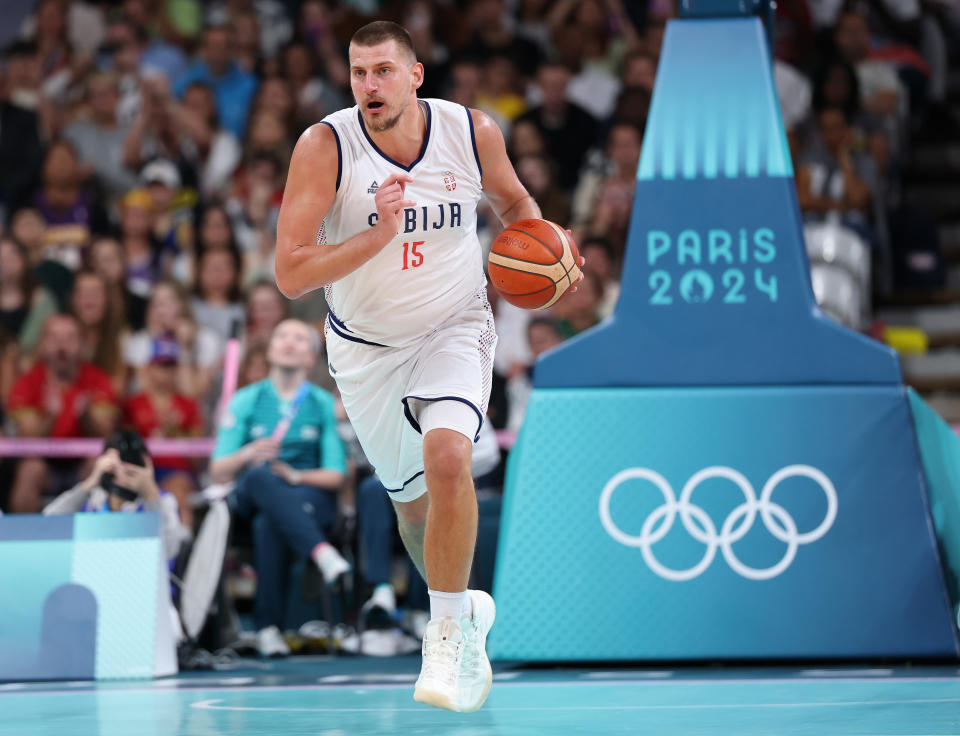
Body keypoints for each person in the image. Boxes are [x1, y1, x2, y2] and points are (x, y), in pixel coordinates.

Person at [274, 21, 582, 713]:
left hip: (456, 323)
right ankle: (463, 612)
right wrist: (376, 234)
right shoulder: (325, 147)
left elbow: (513, 204)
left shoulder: (471, 132)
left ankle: (444, 635)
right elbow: (290, 274)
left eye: (383, 71)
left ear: (415, 76)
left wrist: (543, 248)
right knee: (412, 513)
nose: (369, 86)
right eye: (358, 73)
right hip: (366, 349)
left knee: (449, 457)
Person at [209, 319, 349, 658]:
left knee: (269, 521)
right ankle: (322, 553)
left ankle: (268, 629)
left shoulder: (321, 404)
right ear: (270, 350)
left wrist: (296, 477)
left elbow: (335, 474)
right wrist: (247, 453)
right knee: (259, 476)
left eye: (300, 339)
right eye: (281, 335)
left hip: (305, 494)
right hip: (251, 495)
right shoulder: (246, 400)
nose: (289, 342)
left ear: (311, 358)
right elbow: (217, 470)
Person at [6, 313, 118, 512]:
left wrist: (86, 419)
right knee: (30, 470)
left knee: (99, 466)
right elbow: (26, 441)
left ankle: (100, 538)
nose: (62, 346)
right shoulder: (27, 383)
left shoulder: (99, 381)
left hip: (84, 464)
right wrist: (49, 417)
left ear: (82, 343)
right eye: (54, 338)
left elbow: (106, 436)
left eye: (69, 338)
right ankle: (25, 539)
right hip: (45, 466)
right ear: (43, 344)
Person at [43, 430, 189, 564]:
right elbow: (48, 522)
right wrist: (91, 482)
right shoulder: (93, 500)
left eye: (130, 460)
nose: (124, 467)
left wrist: (150, 493)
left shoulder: (162, 500)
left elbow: (170, 551)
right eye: (117, 460)